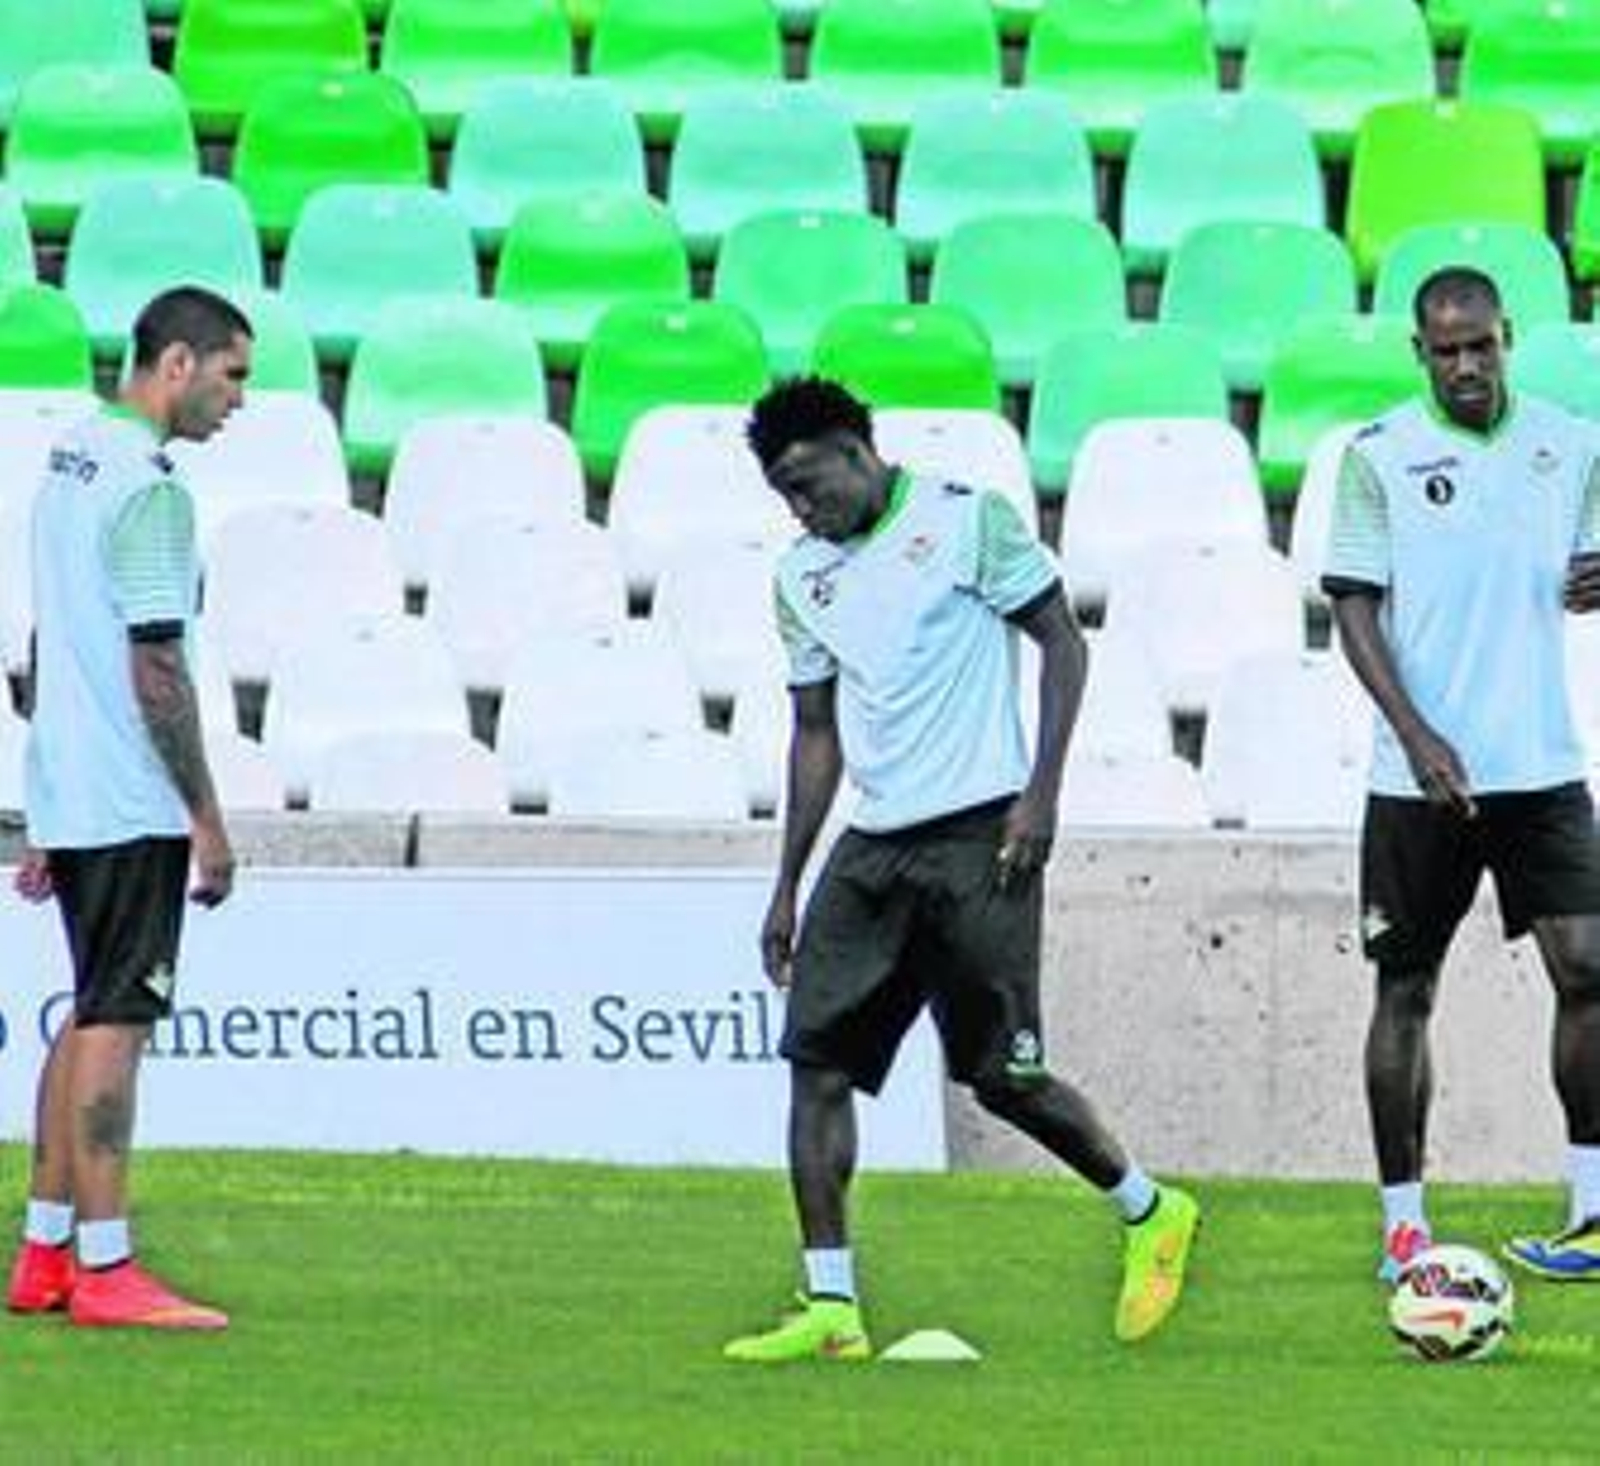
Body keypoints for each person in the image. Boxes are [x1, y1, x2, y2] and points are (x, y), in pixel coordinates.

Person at [722, 377, 1199, 1363]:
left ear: (857, 451)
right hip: (873, 847)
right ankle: (831, 1305)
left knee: (1001, 1077)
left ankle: (1149, 1209)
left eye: (809, 486)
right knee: (813, 1064)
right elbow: (815, 734)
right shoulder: (800, 577)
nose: (800, 510)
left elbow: (1061, 641)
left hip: (983, 835)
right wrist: (785, 883)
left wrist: (1041, 793)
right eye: (784, 497)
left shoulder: (964, 520)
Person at [1323, 265, 1600, 1284]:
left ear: (1506, 335)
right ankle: (1403, 1227)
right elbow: (1351, 609)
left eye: (1479, 345)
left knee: (1589, 970)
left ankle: (1592, 1209)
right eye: (1444, 350)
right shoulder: (1379, 457)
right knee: (1404, 987)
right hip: (1417, 779)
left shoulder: (1569, 444)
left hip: (1539, 763)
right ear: (1418, 352)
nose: (1465, 365)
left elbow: (1584, 573)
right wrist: (1416, 731)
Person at [6, 286, 252, 1330]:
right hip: (125, 791)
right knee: (118, 1017)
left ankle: (47, 1247)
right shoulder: (152, 489)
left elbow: (39, 648)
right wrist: (204, 811)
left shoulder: (68, 460)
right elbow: (158, 665)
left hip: (70, 781)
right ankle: (108, 1264)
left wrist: (44, 801)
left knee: (88, 1002)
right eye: (233, 374)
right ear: (180, 364)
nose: (239, 400)